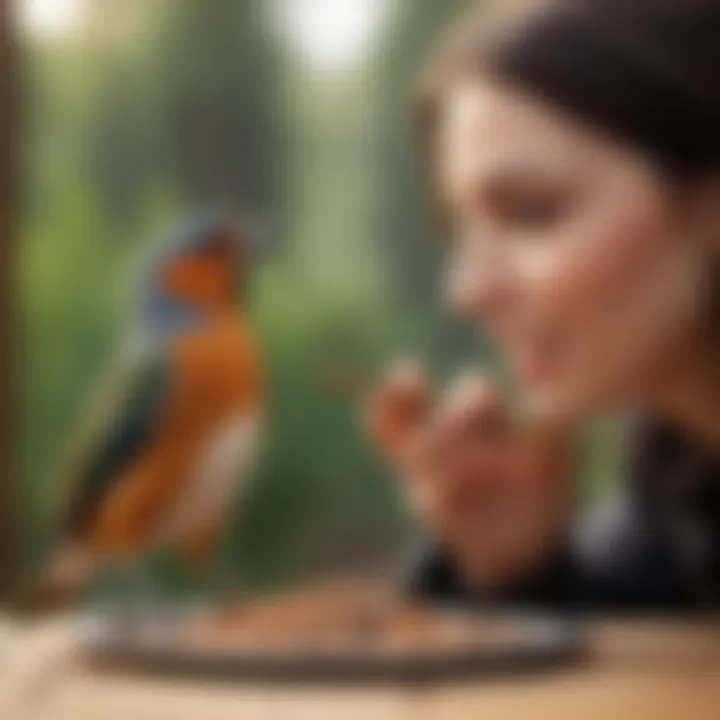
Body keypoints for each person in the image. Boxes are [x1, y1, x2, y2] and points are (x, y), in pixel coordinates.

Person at [366, 0, 720, 612]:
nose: (465, 290)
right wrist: (519, 572)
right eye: (460, 230)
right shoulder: (678, 482)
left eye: (530, 213)